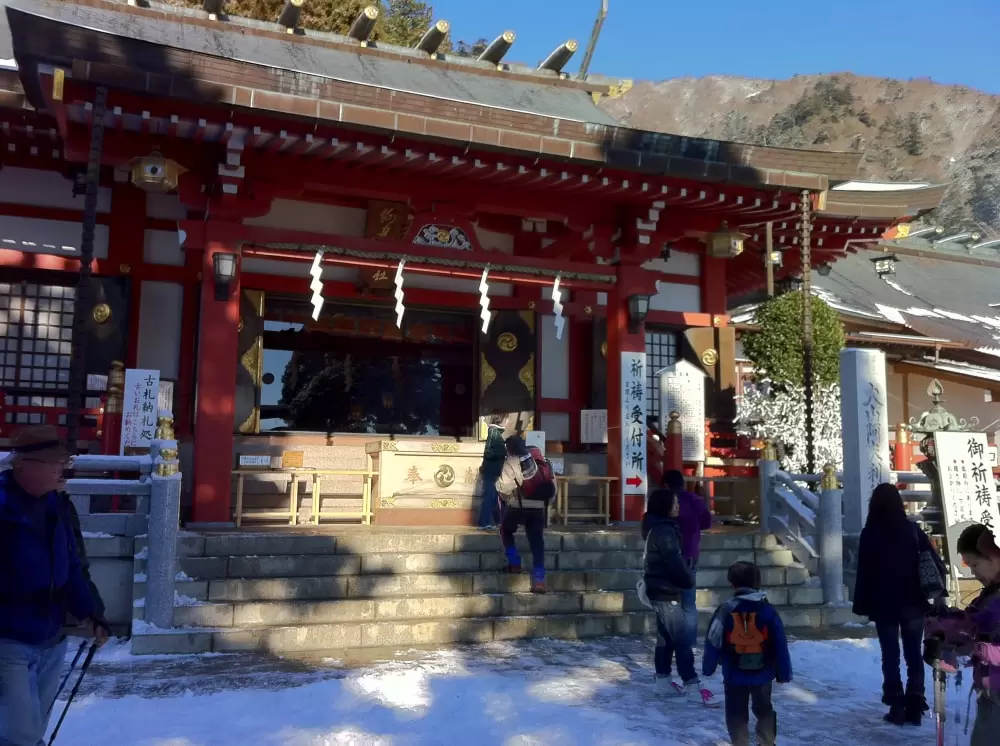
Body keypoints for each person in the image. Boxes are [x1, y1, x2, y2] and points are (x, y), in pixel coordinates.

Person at [0, 426, 108, 746]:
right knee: (22, 731)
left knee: (35, 724)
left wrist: (90, 612)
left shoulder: (58, 506)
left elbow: (72, 566)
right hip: (8, 638)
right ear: (24, 465)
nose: (64, 469)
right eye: (55, 462)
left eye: (64, 461)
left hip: (52, 635)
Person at [852, 482, 942, 726]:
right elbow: (933, 562)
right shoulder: (912, 530)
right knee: (914, 654)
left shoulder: (869, 533)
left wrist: (861, 604)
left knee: (889, 655)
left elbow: (864, 573)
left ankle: (896, 704)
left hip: (884, 604)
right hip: (913, 602)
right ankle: (915, 704)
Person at [925, 523, 1000, 745]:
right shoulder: (991, 593)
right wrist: (941, 625)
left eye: (975, 564)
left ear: (992, 555)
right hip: (990, 694)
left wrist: (977, 649)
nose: (973, 572)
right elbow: (972, 624)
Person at [703, 561, 792, 746]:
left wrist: (708, 667)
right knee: (764, 708)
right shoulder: (767, 610)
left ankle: (740, 743)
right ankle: (767, 742)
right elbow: (780, 644)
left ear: (732, 584)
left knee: (736, 712)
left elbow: (713, 640)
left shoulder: (725, 610)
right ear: (758, 583)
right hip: (763, 672)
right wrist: (784, 672)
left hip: (733, 673)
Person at [641, 489, 715, 705]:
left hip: (661, 589)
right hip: (665, 590)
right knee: (681, 639)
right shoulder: (664, 531)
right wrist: (688, 580)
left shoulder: (659, 527)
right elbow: (674, 561)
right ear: (665, 505)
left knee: (666, 639)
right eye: (674, 502)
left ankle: (663, 681)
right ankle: (692, 684)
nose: (678, 506)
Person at [495, 435, 553, 594]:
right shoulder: (544, 462)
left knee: (506, 531)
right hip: (538, 508)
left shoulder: (512, 460)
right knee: (537, 542)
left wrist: (501, 489)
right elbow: (552, 488)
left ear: (510, 448)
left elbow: (504, 487)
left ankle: (514, 563)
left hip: (518, 506)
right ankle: (539, 580)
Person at [662, 470, 712, 645]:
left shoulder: (664, 500)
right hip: (690, 552)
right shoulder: (693, 500)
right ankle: (689, 643)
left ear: (666, 485)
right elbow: (706, 521)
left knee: (668, 601)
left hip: (668, 554)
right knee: (689, 602)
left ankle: (670, 642)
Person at [476, 420, 507, 530]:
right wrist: (503, 452)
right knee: (489, 496)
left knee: (493, 497)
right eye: (506, 419)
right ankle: (484, 522)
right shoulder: (494, 433)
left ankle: (489, 521)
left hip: (492, 470)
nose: (507, 422)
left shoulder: (496, 433)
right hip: (491, 471)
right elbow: (488, 452)